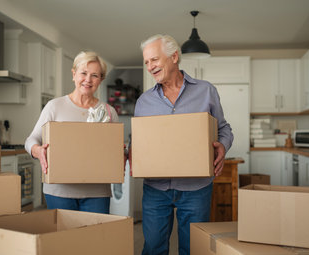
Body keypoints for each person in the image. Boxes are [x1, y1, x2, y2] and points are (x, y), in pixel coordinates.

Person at [135, 34, 234, 255]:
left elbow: (223, 129)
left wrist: (223, 146)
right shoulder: (144, 102)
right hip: (155, 188)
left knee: (193, 249)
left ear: (174, 57)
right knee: (152, 248)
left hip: (196, 187)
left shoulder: (205, 91)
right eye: (147, 62)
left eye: (154, 60)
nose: (150, 67)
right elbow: (141, 142)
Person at [25, 51, 119, 214]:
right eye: (83, 73)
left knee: (95, 238)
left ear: (101, 80)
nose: (88, 80)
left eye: (95, 75)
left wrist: (121, 155)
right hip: (59, 191)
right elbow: (31, 139)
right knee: (63, 238)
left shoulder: (108, 111)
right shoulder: (54, 106)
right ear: (74, 74)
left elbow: (115, 149)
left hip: (97, 192)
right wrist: (37, 150)